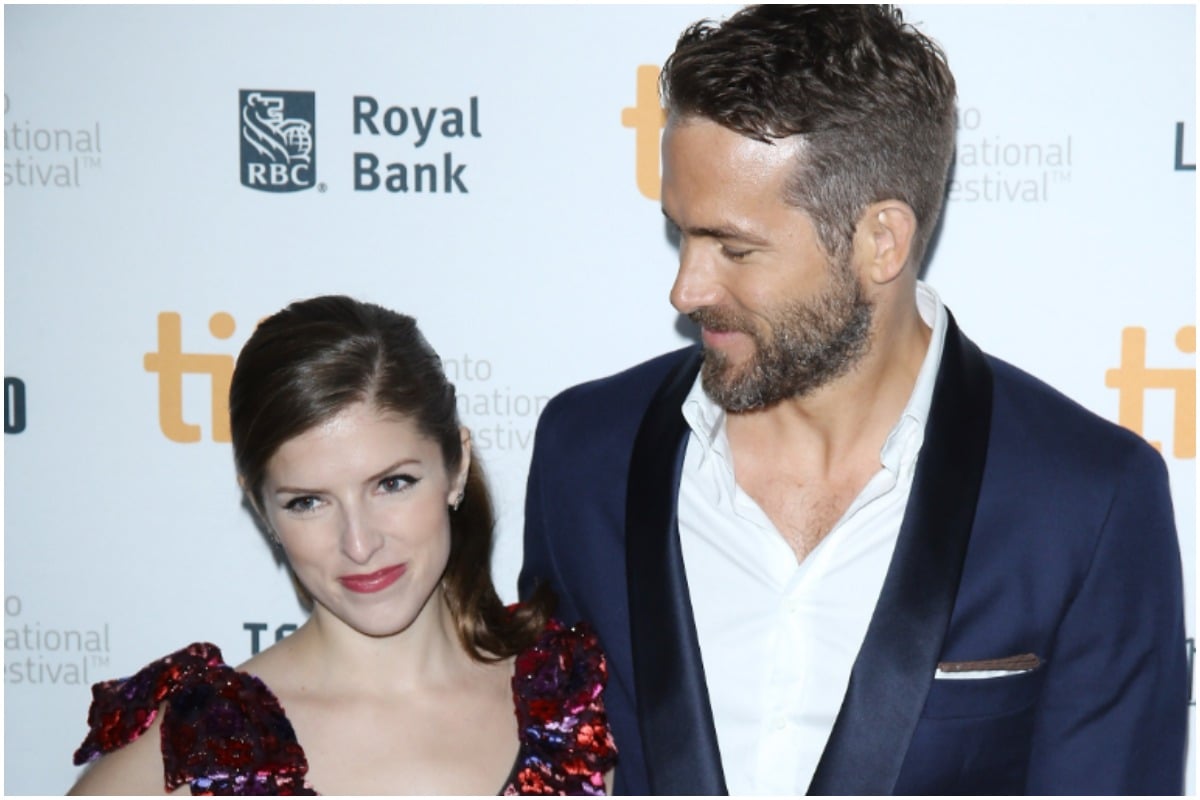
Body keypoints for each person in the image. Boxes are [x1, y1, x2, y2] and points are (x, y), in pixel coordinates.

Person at [519, 4, 1187, 795]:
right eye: (681, 233)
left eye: (735, 248)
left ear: (881, 242)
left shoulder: (1088, 500)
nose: (686, 287)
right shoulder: (585, 452)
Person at [70, 295, 616, 795]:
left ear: (456, 466)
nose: (359, 544)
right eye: (307, 502)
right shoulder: (193, 754)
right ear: (261, 508)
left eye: (392, 483)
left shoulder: (577, 702)